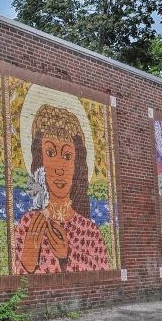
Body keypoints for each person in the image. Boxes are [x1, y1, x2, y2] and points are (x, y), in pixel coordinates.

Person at [14, 104, 108, 274]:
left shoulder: (90, 232)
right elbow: (18, 279)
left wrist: (67, 255)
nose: (59, 169)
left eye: (67, 156)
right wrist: (28, 262)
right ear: (40, 161)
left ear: (77, 165)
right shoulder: (28, 225)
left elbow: (104, 273)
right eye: (50, 153)